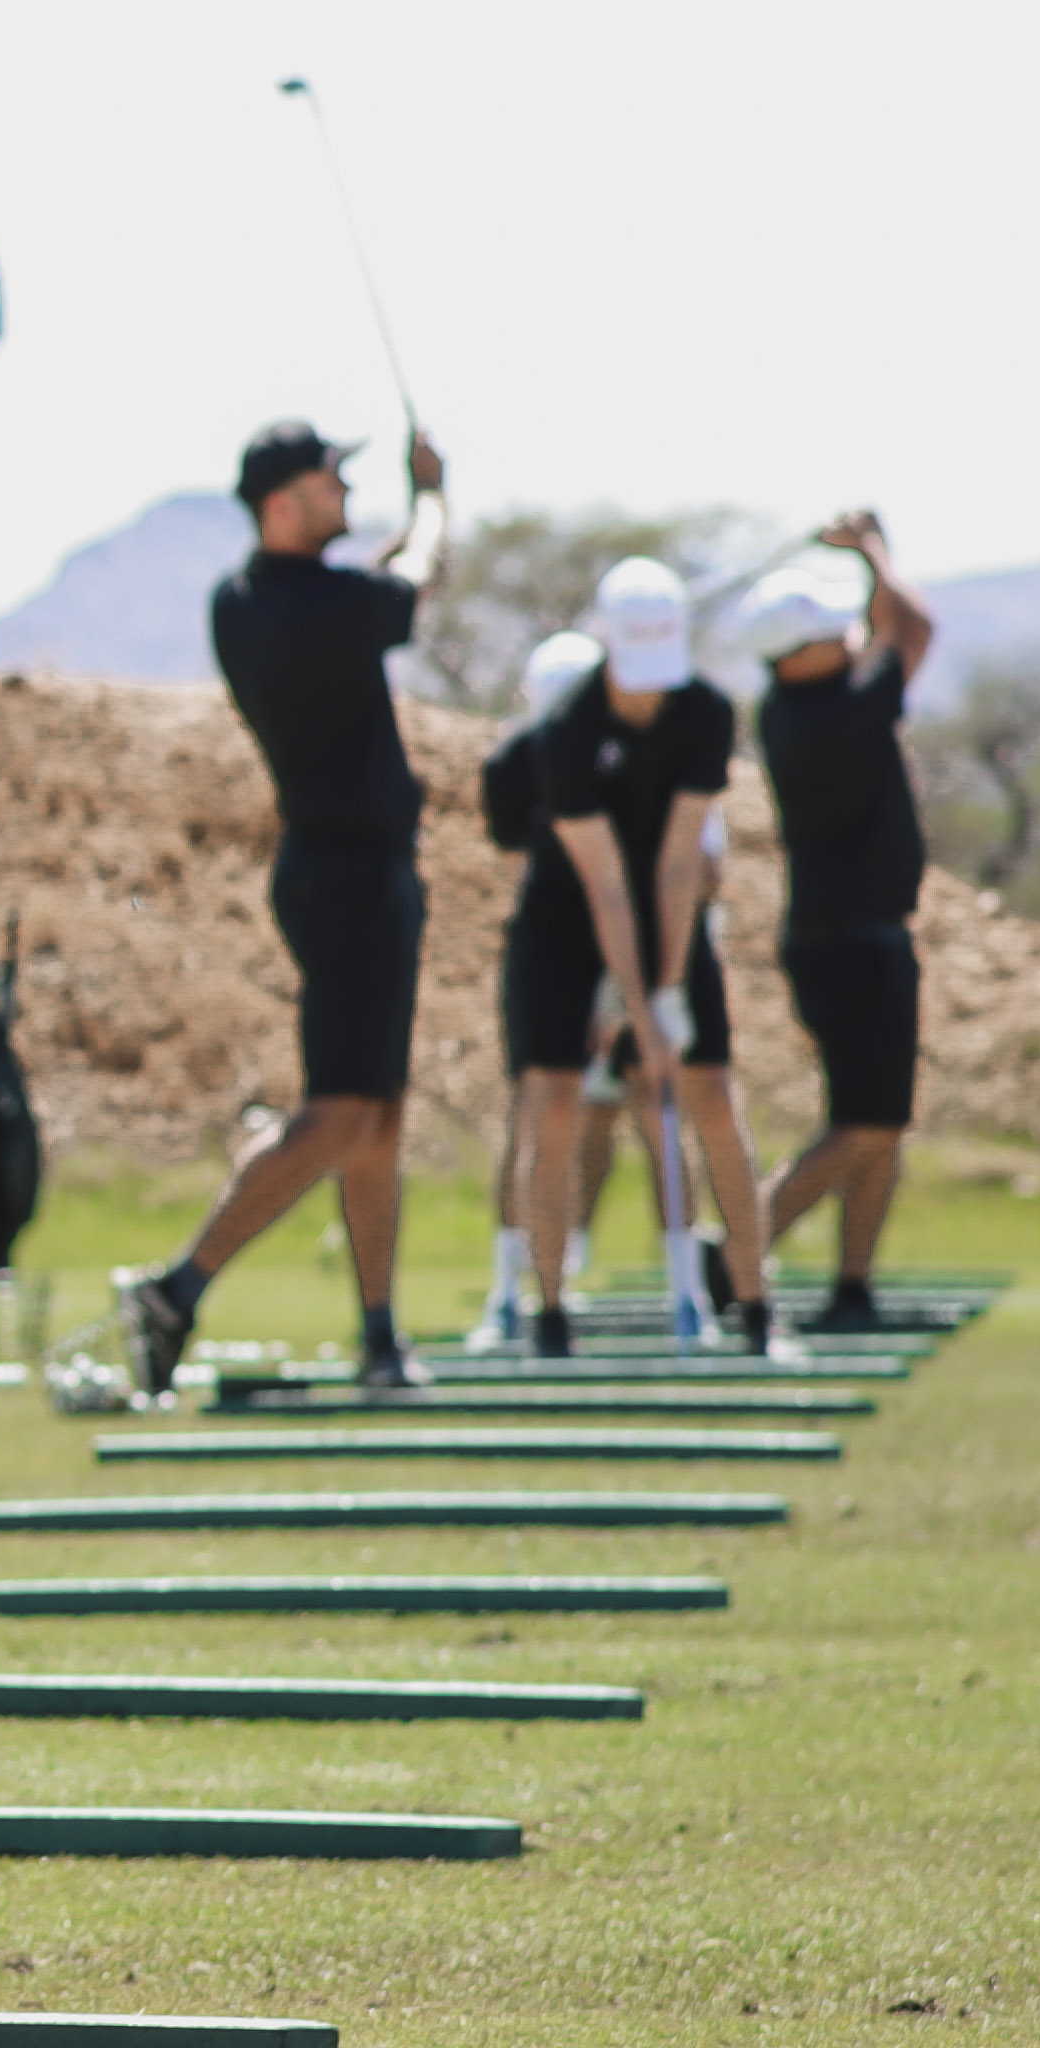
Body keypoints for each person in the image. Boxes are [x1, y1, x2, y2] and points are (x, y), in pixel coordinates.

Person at [117, 417, 452, 1399]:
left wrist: (407, 524)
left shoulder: (249, 602)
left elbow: (373, 591)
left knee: (376, 1116)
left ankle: (380, 1337)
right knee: (343, 1114)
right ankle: (176, 1286)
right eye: (330, 479)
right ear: (282, 502)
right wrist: (433, 493)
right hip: (352, 880)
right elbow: (413, 578)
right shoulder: (324, 604)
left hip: (336, 873)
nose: (345, 492)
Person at [524, 553, 786, 1354]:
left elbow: (680, 863)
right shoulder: (565, 730)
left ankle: (756, 1307)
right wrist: (637, 1012)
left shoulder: (705, 712)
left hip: (671, 916)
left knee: (710, 1093)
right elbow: (605, 886)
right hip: (567, 922)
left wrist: (667, 992)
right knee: (555, 1101)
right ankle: (548, 1313)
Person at [741, 518, 936, 1332]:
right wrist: (872, 553)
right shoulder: (837, 710)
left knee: (879, 1126)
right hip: (848, 944)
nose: (845, 637)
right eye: (827, 633)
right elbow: (912, 629)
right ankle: (737, 1256)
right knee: (866, 1125)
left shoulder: (799, 703)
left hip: (856, 937)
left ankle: (853, 1287)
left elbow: (882, 634)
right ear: (795, 655)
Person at [458, 624, 603, 1351]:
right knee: (540, 1116)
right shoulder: (517, 762)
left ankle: (691, 1293)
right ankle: (517, 1293)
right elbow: (510, 835)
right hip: (550, 947)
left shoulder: (625, 756)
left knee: (634, 1112)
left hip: (623, 947)